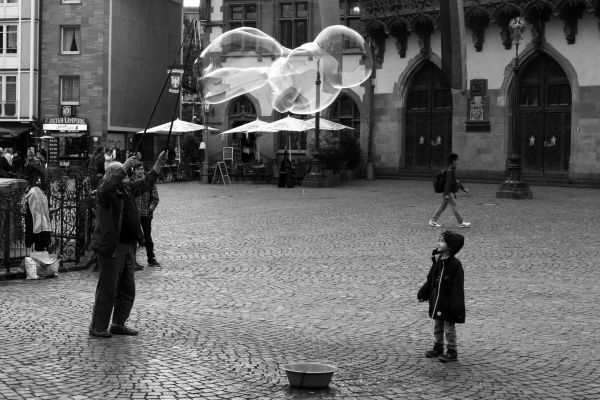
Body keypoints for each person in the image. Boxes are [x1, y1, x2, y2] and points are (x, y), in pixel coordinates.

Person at [88, 151, 166, 338]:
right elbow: (107, 188)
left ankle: (118, 323)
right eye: (121, 174)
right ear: (112, 176)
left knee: (127, 289)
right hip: (111, 247)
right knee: (108, 288)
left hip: (128, 247)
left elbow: (145, 183)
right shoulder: (105, 191)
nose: (125, 177)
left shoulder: (126, 190)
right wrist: (122, 167)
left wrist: (158, 164)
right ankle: (98, 327)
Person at [417, 230, 465, 362]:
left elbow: (457, 287)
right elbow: (431, 279)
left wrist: (455, 305)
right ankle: (438, 347)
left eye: (442, 241)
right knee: (437, 326)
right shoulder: (438, 260)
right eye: (439, 240)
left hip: (448, 303)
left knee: (449, 328)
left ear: (450, 246)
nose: (439, 242)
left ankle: (452, 350)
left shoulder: (455, 265)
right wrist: (423, 293)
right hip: (437, 301)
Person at [429, 153, 470, 228]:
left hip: (448, 192)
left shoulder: (450, 169)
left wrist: (463, 188)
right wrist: (447, 194)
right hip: (448, 192)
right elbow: (448, 183)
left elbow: (455, 181)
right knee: (455, 206)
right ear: (453, 161)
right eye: (457, 160)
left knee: (442, 206)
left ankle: (433, 221)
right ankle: (461, 222)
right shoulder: (450, 171)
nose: (458, 162)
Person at [132, 162, 160, 267]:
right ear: (134, 170)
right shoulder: (131, 182)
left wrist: (150, 209)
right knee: (134, 237)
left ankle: (151, 258)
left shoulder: (149, 182)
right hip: (134, 214)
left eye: (141, 169)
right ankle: (133, 260)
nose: (140, 171)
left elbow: (155, 198)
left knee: (148, 237)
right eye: (138, 169)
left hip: (146, 214)